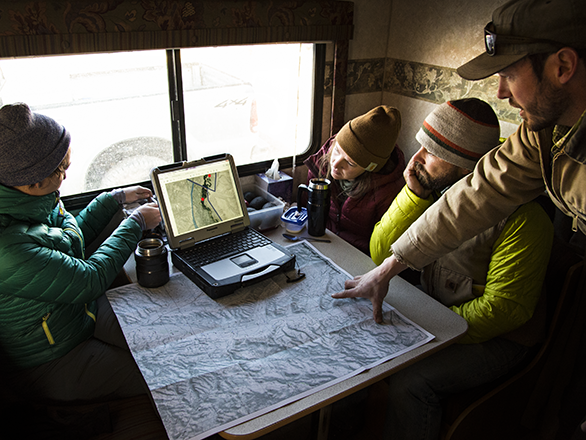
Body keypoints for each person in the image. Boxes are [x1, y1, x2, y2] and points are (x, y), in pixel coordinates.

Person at [368, 98, 554, 440]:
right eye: (421, 146)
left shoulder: (526, 220)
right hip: (440, 310)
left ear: (466, 165)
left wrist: (431, 333)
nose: (416, 158)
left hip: (498, 339)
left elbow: (505, 311)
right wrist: (414, 195)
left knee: (413, 382)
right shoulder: (437, 190)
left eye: (431, 151)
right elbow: (380, 253)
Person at [0, 102, 162, 403]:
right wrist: (136, 222)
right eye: (63, 168)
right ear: (34, 180)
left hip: (76, 315)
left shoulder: (32, 199)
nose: (65, 174)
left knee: (162, 338)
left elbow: (69, 241)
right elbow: (89, 279)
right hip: (53, 357)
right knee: (161, 371)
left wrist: (113, 199)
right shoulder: (7, 249)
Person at [303, 105, 405, 254]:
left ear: (370, 169)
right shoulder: (322, 161)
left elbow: (381, 248)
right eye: (337, 150)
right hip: (322, 240)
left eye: (350, 163)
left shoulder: (388, 192)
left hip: (358, 254)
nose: (335, 163)